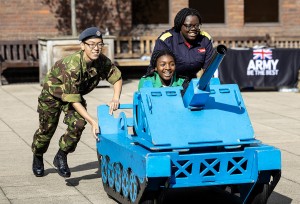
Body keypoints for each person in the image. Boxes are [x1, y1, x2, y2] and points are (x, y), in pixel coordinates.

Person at [31, 27, 122, 178]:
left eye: (100, 44)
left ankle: (61, 155)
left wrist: (116, 98)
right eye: (91, 44)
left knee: (78, 123)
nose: (96, 48)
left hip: (73, 96)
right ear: (82, 46)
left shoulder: (102, 61)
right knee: (47, 130)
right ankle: (38, 155)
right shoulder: (73, 65)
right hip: (52, 96)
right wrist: (93, 121)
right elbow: (73, 100)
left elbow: (116, 78)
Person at [150, 7, 215, 80]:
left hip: (193, 83)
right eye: (188, 26)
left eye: (197, 25)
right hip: (171, 82)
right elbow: (156, 68)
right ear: (180, 25)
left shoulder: (205, 39)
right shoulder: (167, 40)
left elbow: (209, 70)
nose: (193, 29)